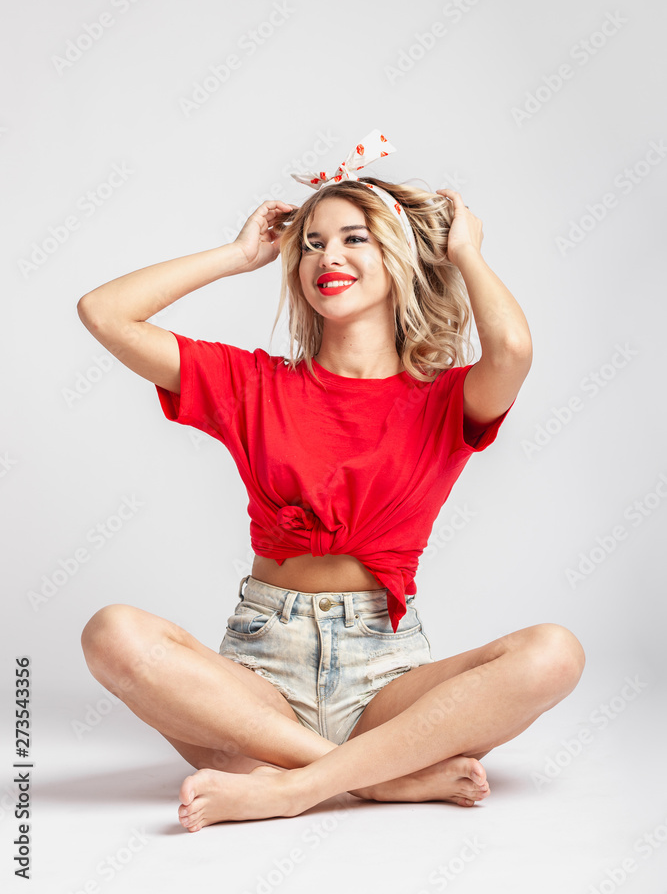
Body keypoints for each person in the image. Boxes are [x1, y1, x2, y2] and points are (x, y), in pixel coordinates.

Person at [77, 129, 585, 830]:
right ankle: (370, 780)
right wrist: (236, 256)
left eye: (353, 239)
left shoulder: (445, 398)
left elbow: (513, 348)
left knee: (553, 653)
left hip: (386, 677)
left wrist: (466, 250)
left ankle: (286, 786)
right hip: (257, 679)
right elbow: (103, 312)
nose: (328, 257)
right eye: (312, 243)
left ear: (397, 257)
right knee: (112, 633)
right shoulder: (252, 382)